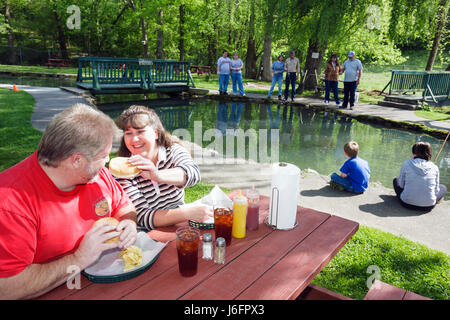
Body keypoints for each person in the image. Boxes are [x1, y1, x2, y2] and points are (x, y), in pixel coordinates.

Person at [0, 104, 137, 299]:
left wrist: (129, 222)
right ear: (76, 160)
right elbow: (7, 288)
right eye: (103, 156)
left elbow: (124, 205)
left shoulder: (96, 176)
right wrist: (79, 259)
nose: (108, 161)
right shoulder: (10, 203)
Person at [115, 105, 213, 231]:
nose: (134, 139)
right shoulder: (121, 171)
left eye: (140, 131)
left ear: (155, 133)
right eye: (128, 133)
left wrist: (157, 175)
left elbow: (193, 174)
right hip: (147, 236)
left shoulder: (173, 151)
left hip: (180, 225)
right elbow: (142, 216)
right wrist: (187, 213)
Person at [393, 142, 447, 212]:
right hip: (428, 206)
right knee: (443, 187)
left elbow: (401, 185)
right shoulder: (434, 167)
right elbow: (436, 190)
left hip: (406, 203)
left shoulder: (406, 163)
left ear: (414, 153)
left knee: (396, 180)